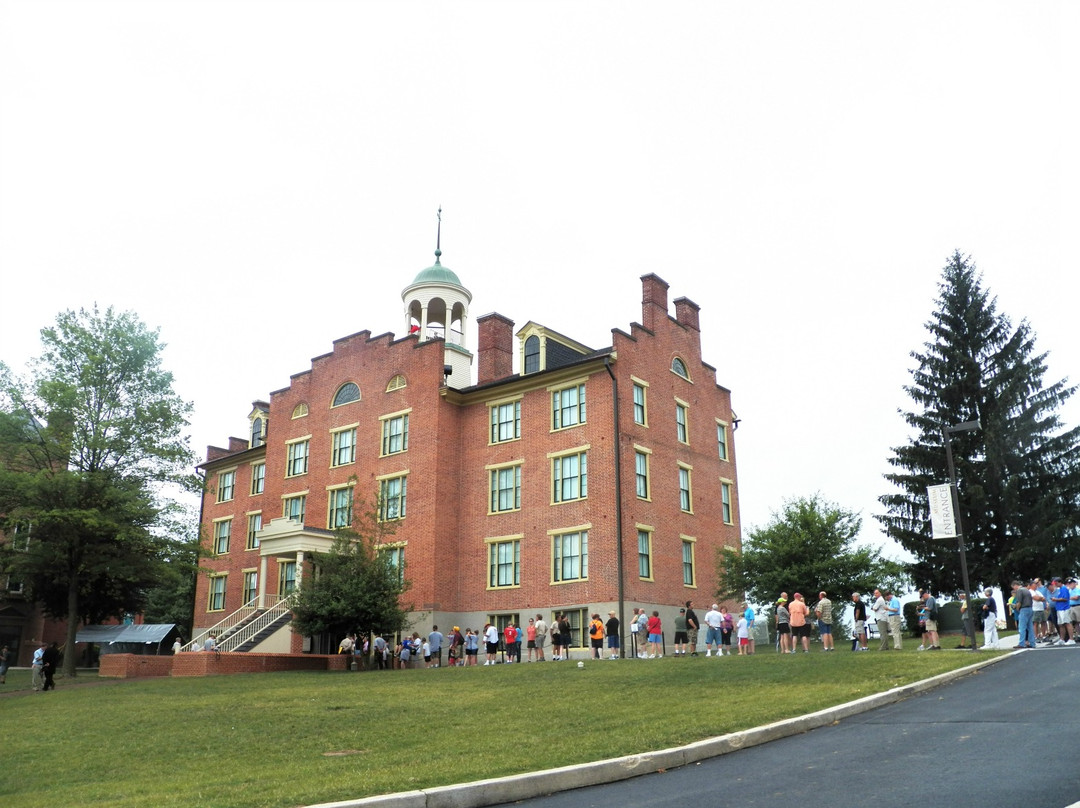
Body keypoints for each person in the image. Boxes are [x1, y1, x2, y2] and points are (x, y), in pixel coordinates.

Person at [1011, 579, 1035, 649]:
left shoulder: (1019, 590)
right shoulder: (1027, 590)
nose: (1014, 589)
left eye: (1013, 587)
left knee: (1022, 627)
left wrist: (1016, 608)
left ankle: (1021, 643)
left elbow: (1019, 602)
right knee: (1030, 627)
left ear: (1015, 585)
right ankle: (1032, 643)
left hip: (1024, 609)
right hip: (1030, 609)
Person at [1050, 577, 1073, 645]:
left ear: (1059, 582)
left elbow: (1065, 598)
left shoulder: (1064, 588)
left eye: (1056, 583)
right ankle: (1062, 639)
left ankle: (1071, 639)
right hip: (1060, 608)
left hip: (1064, 608)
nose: (1055, 584)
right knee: (1060, 624)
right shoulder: (1060, 589)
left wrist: (1056, 599)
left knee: (1067, 623)